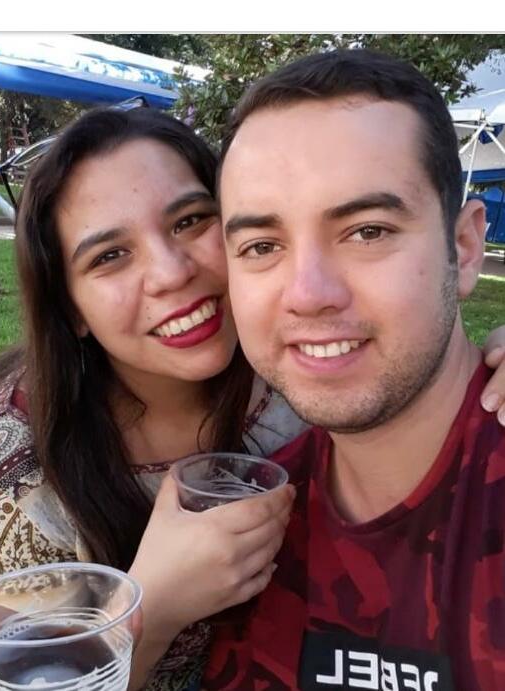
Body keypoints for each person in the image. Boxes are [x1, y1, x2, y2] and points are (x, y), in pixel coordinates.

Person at [203, 49, 505, 690]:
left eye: (368, 232)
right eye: (262, 246)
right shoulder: (249, 528)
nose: (308, 294)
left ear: (464, 247)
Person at [0, 107, 301, 691]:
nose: (171, 272)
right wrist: (150, 609)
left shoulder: (304, 363)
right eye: (109, 256)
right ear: (71, 310)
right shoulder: (11, 485)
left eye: (190, 220)